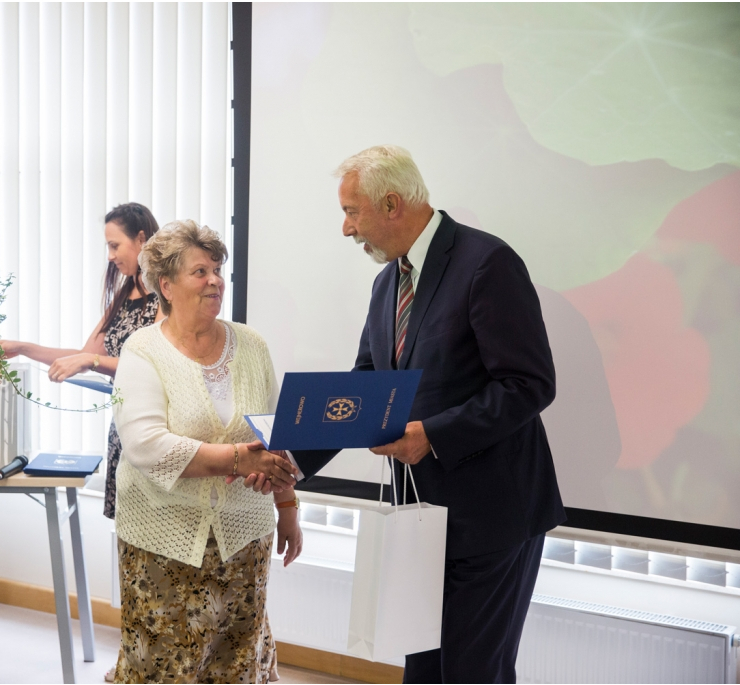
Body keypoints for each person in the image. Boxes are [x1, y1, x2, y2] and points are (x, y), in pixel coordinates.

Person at [292, 146, 565, 683]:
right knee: (423, 672)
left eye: (352, 211)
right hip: (418, 520)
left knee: (471, 674)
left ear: (391, 203)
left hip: (491, 519)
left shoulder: (487, 264)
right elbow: (369, 384)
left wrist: (433, 435)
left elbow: (529, 384)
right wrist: (291, 454)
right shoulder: (388, 281)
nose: (346, 229)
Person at [111, 220, 301, 683]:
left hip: (245, 540)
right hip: (163, 542)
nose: (215, 280)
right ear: (167, 286)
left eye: (218, 270)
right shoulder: (142, 351)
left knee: (237, 664)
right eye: (200, 271)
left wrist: (288, 506)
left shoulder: (252, 345)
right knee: (163, 669)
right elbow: (145, 445)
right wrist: (239, 458)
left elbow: (276, 437)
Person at [0, 202, 164, 520]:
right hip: (123, 430)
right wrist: (22, 348)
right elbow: (84, 355)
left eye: (115, 245)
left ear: (141, 239)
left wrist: (90, 360)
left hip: (155, 430)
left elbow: (152, 367)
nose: (110, 256)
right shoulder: (122, 299)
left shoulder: (166, 298)